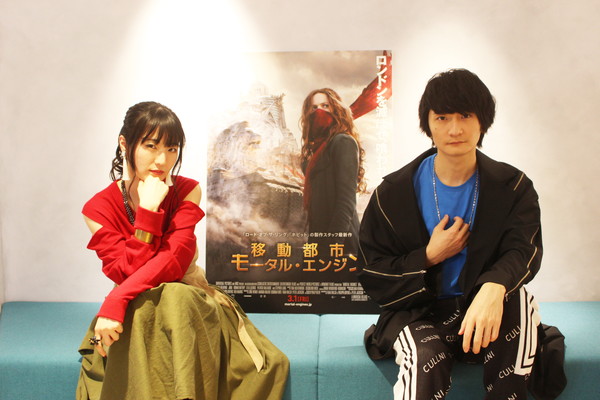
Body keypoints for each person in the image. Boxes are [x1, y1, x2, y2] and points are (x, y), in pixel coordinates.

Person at [76, 101, 289, 400]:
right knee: (150, 308)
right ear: (125, 144)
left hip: (188, 302)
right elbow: (125, 271)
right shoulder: (97, 208)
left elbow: (174, 262)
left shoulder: (188, 190)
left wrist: (115, 299)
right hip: (134, 307)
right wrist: (148, 211)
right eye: (151, 146)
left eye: (172, 149)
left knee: (175, 296)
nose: (162, 160)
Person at [357, 69, 543, 399]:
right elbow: (373, 272)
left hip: (485, 306)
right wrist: (428, 256)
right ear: (427, 124)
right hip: (419, 312)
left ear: (483, 121)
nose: (455, 129)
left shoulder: (513, 187)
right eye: (442, 117)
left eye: (465, 116)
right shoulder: (393, 193)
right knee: (426, 359)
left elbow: (523, 249)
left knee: (520, 303)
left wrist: (494, 286)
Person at [300, 88, 366, 257]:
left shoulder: (342, 141)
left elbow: (346, 202)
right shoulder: (316, 150)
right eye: (314, 108)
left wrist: (331, 247)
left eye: (325, 106)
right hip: (319, 240)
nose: (319, 111)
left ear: (336, 109)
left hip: (340, 244)